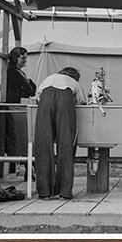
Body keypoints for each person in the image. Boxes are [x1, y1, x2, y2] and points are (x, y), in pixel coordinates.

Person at [34, 66, 86, 199]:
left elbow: (37, 97)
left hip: (45, 101)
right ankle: (64, 192)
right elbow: (82, 102)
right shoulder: (73, 82)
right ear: (74, 77)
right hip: (65, 101)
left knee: (43, 144)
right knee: (66, 143)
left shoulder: (48, 79)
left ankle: (44, 192)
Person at [2, 46, 35, 179]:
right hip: (15, 108)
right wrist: (30, 85)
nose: (25, 61)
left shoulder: (17, 72)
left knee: (21, 139)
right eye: (23, 58)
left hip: (17, 108)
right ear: (15, 58)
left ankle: (27, 167)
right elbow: (30, 89)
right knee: (20, 138)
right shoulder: (13, 73)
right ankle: (27, 166)